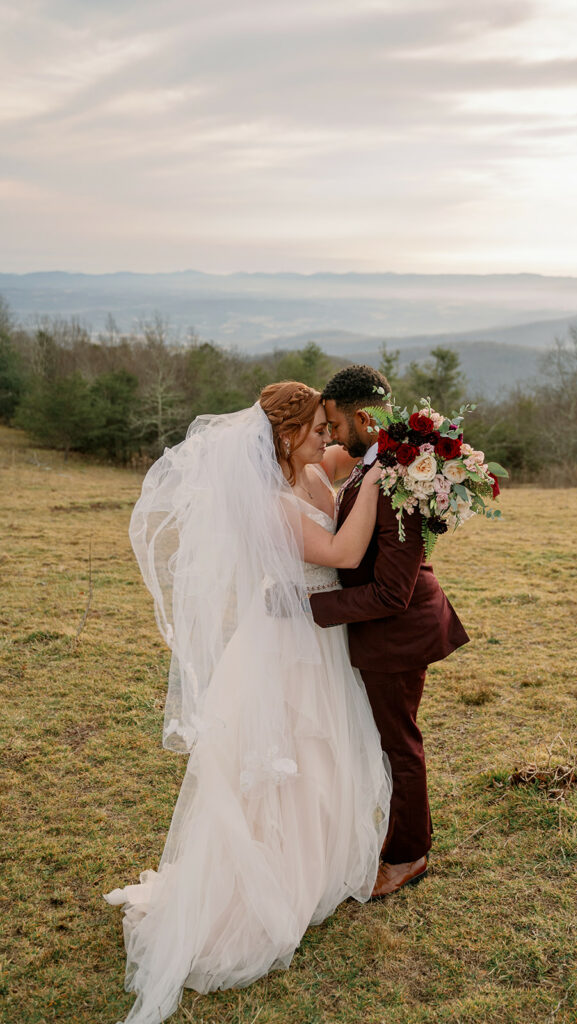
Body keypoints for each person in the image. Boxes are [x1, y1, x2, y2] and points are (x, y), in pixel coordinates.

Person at [104, 382, 391, 1024]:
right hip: (286, 644)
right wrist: (377, 484)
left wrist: (402, 452)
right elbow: (341, 553)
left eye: (328, 425)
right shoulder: (270, 501)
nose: (326, 435)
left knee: (320, 753)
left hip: (319, 639)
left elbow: (360, 449)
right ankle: (264, 884)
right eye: (317, 426)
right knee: (282, 757)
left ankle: (313, 868)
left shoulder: (315, 470)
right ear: (286, 436)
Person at [308, 365, 469, 899]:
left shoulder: (400, 479)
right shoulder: (375, 460)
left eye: (332, 424)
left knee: (398, 744)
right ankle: (397, 837)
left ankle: (408, 855)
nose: (330, 436)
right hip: (384, 630)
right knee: (386, 740)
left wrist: (312, 607)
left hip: (397, 634)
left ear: (361, 418)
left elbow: (390, 593)